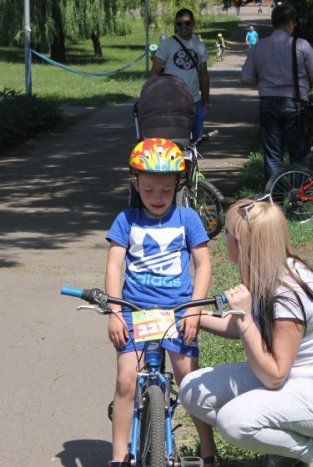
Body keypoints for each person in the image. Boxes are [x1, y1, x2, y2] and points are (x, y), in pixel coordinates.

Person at [179, 197, 313, 467]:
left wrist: (244, 320)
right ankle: (283, 449)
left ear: (245, 245)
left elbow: (274, 375)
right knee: (192, 390)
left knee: (233, 421)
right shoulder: (266, 269)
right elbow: (243, 325)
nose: (225, 240)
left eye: (229, 234)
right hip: (298, 377)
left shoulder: (287, 294)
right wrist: (193, 316)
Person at [105, 138, 214, 467]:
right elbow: (114, 266)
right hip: (135, 314)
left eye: (165, 190)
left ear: (178, 185)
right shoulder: (126, 220)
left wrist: (194, 308)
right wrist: (114, 311)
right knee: (126, 381)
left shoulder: (188, 219)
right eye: (149, 189)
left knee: (189, 381)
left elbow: (204, 264)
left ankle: (208, 451)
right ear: (135, 184)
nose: (157, 197)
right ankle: (119, 457)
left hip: (178, 314)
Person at [241, 5, 313, 181]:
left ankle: (275, 199)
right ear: (292, 23)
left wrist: (265, 80)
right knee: (298, 155)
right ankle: (298, 198)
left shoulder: (259, 46)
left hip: (268, 104)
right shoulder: (300, 45)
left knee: (272, 156)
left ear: (272, 23)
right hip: (295, 104)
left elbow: (246, 77)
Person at [150, 9, 210, 142]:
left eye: (187, 23)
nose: (184, 27)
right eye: (180, 24)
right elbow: (154, 73)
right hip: (172, 100)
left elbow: (204, 75)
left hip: (194, 99)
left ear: (193, 23)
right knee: (174, 140)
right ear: (175, 24)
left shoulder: (199, 46)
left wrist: (205, 100)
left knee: (197, 140)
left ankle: (193, 162)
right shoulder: (167, 45)